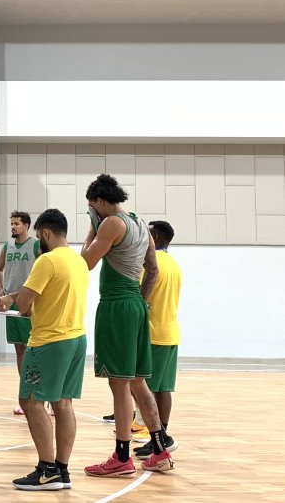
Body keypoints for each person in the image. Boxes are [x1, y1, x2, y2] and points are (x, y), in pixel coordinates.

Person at [81, 174, 176, 477]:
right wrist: (143, 303)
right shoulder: (140, 223)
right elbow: (154, 270)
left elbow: (86, 261)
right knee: (138, 382)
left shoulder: (111, 223)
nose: (92, 210)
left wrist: (93, 229)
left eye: (92, 205)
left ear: (100, 200)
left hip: (117, 304)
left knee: (118, 382)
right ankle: (159, 449)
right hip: (136, 304)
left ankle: (122, 456)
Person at [0, 209, 89, 491]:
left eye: (39, 236)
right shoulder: (78, 260)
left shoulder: (47, 261)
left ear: (46, 233)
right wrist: (17, 296)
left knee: (31, 402)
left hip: (49, 341)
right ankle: (61, 469)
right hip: (76, 339)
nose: (39, 242)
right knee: (63, 404)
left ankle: (46, 469)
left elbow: (25, 304)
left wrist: (13, 299)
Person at [135, 221, 182, 460]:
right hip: (170, 332)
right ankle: (162, 436)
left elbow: (142, 299)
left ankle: (159, 439)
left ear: (153, 236)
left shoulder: (151, 264)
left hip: (153, 333)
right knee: (163, 388)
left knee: (146, 390)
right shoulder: (174, 264)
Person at [0, 211, 40, 415]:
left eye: (17, 224)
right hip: (11, 303)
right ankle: (26, 394)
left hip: (29, 301)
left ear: (27, 225)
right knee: (20, 350)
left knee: (36, 350)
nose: (13, 227)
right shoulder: (7, 246)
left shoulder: (36, 245)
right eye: (11, 223)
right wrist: (1, 291)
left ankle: (41, 395)